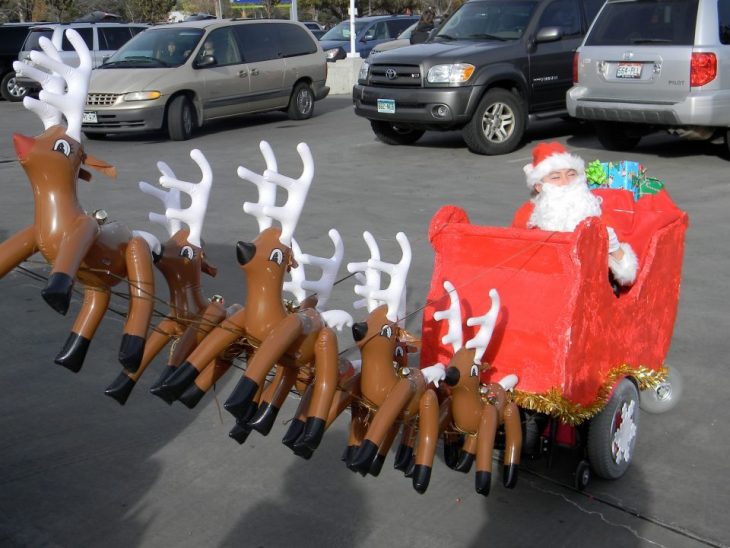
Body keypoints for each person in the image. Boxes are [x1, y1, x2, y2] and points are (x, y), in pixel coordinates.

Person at [521, 141, 638, 286]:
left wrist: (614, 248)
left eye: (571, 175)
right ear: (539, 186)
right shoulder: (526, 216)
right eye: (555, 177)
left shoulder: (597, 212)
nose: (566, 182)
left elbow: (628, 275)